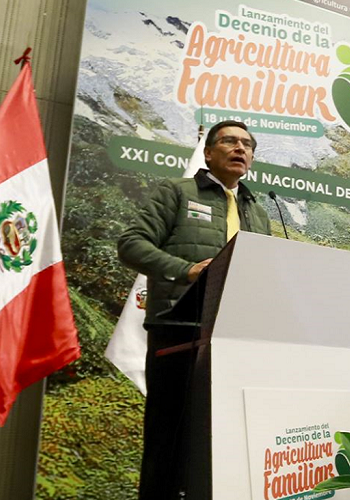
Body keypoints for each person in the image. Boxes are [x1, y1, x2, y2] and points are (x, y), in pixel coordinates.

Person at [118, 120, 270, 500]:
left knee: (221, 439)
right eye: (230, 141)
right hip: (180, 330)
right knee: (168, 439)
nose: (240, 148)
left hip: (234, 337)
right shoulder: (177, 191)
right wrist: (187, 270)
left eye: (247, 144)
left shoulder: (258, 210)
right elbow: (131, 244)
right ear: (208, 152)